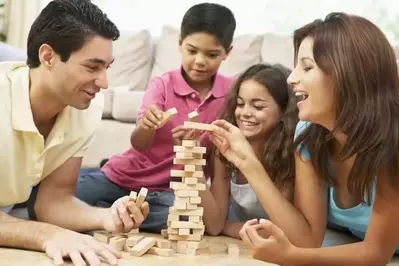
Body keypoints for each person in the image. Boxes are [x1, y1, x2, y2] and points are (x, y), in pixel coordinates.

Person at [208, 12, 399, 266]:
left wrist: (291, 257)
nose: (291, 78)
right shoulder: (309, 134)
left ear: (347, 73)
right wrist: (247, 162)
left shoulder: (392, 139)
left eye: (307, 67)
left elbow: (376, 254)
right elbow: (306, 238)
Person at [0, 1, 149, 265]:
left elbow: (53, 200)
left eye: (107, 67)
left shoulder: (85, 108)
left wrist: (107, 218)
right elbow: (44, 226)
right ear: (48, 57)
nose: (104, 83)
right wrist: (46, 235)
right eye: (92, 67)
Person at [75, 3, 236, 233]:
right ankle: (110, 204)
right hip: (125, 177)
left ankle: (108, 211)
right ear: (180, 43)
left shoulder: (230, 93)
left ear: (227, 52)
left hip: (172, 192)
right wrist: (147, 127)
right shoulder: (162, 84)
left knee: (184, 219)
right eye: (192, 51)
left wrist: (191, 152)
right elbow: (139, 143)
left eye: (211, 55)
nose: (200, 61)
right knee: (62, 197)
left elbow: (220, 158)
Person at [199, 63, 298, 238]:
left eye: (258, 107)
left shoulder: (288, 155)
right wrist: (193, 164)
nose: (244, 113)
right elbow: (214, 226)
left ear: (283, 111)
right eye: (240, 104)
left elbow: (283, 232)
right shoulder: (224, 150)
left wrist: (229, 228)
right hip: (244, 238)